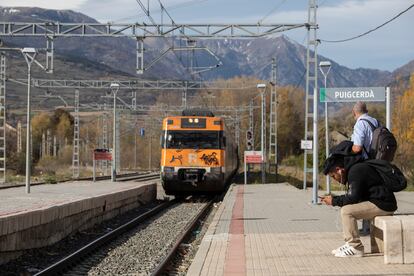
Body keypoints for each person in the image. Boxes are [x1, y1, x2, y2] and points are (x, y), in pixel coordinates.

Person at [320, 153, 397, 258]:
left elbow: (352, 198)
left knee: (347, 211)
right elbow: (354, 196)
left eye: (333, 176)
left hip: (383, 204)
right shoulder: (355, 168)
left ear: (339, 170)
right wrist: (335, 199)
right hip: (381, 202)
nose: (335, 179)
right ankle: (349, 244)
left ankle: (355, 247)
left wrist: (334, 201)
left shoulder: (355, 171)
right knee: (347, 209)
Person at [351, 101, 379, 234]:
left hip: (366, 164)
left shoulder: (360, 123)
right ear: (366, 110)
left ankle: (366, 228)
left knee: (363, 195)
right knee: (373, 194)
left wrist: (348, 147)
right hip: (378, 163)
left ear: (354, 113)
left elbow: (357, 148)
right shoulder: (375, 121)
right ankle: (372, 227)